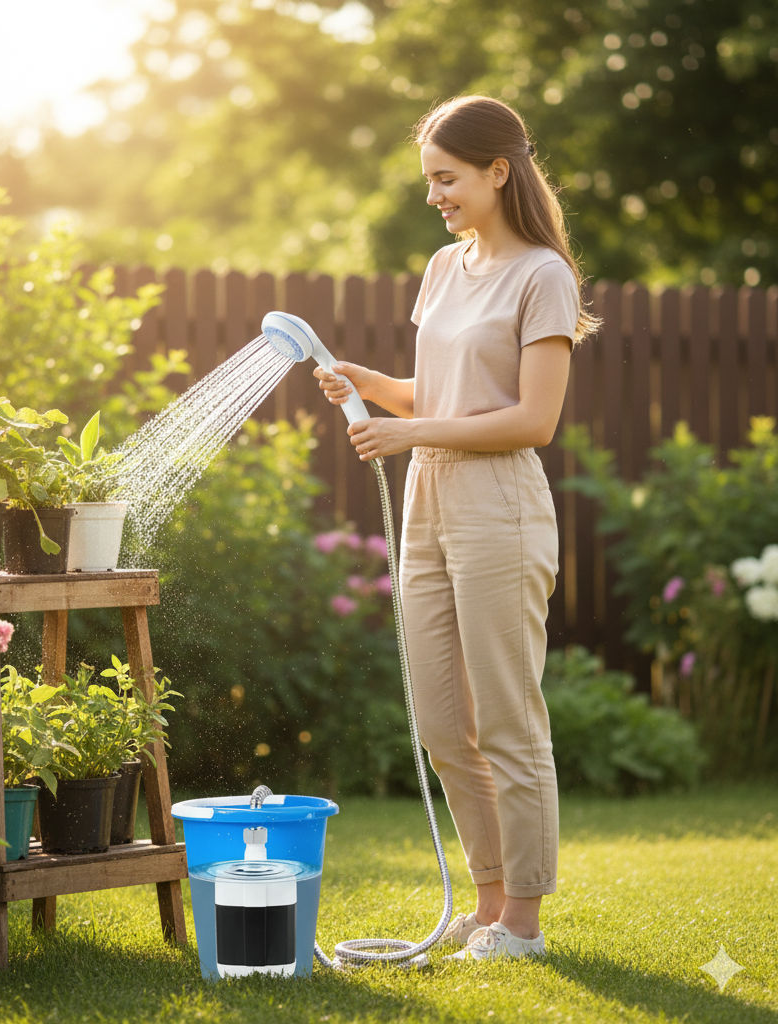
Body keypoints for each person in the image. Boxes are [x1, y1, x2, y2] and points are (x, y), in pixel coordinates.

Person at [314, 95, 597, 962]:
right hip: (430, 503)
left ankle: (525, 921)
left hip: (499, 505)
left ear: (496, 172)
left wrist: (408, 432)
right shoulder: (444, 267)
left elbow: (531, 420)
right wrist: (377, 384)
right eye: (428, 179)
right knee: (442, 721)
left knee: (507, 718)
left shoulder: (544, 275)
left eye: (447, 178)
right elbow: (439, 396)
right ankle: (485, 899)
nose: (434, 194)